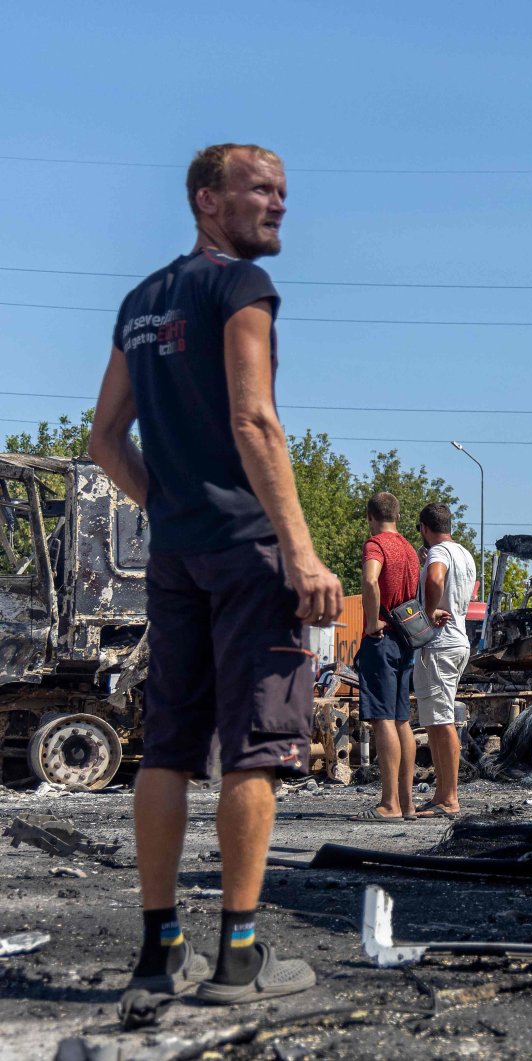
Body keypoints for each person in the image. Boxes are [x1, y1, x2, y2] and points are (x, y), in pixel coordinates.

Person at [89, 143, 342, 1007]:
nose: (277, 204)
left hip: (177, 552)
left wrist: (165, 506)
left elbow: (103, 438)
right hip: (245, 549)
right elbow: (254, 419)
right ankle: (239, 954)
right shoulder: (240, 288)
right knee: (255, 746)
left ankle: (160, 951)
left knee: (165, 746)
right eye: (259, 190)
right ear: (207, 200)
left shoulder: (140, 303)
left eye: (283, 190)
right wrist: (301, 552)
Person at [356, 491, 420, 821]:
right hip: (407, 638)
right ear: (397, 515)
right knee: (402, 719)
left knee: (382, 719)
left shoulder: (376, 544)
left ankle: (389, 804)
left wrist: (371, 622)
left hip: (382, 639)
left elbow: (370, 579)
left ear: (370, 517)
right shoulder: (410, 549)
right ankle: (408, 804)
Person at [413, 502, 477, 817]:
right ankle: (442, 794)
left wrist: (429, 611)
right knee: (438, 721)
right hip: (459, 640)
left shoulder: (438, 554)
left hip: (439, 644)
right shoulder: (463, 553)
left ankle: (449, 798)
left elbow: (436, 578)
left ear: (425, 528)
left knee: (442, 722)